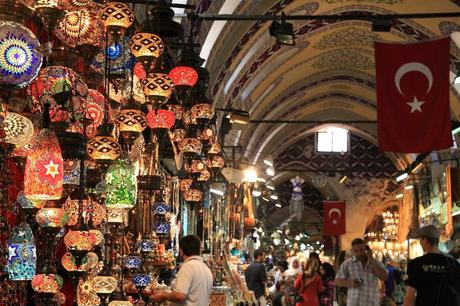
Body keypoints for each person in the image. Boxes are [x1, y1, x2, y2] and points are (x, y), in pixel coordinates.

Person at [403, 225, 460, 306]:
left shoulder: (415, 264)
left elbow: (410, 298)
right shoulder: (453, 264)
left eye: (420, 239)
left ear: (425, 240)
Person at [150, 235, 213, 305]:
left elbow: (179, 295)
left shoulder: (188, 266)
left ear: (181, 251)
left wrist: (163, 296)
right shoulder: (206, 268)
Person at [335, 238, 388, 306]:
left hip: (372, 303)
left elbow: (384, 277)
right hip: (354, 303)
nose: (359, 253)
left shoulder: (376, 262)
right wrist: (350, 283)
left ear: (366, 249)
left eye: (361, 250)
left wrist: (371, 259)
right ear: (353, 251)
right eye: (356, 251)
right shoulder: (347, 264)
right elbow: (337, 281)